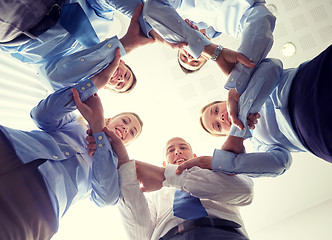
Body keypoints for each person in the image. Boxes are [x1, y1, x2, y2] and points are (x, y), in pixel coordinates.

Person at [0, 50, 143, 240]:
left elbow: (106, 197)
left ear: (128, 144)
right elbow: (40, 116)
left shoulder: (114, 170)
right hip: (11, 147)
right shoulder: (77, 120)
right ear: (109, 118)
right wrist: (87, 90)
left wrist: (99, 132)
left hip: (39, 207)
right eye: (125, 121)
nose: (126, 129)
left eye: (131, 132)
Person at [177, 45, 332, 178]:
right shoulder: (258, 144)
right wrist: (226, 162)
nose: (221, 117)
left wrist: (242, 113)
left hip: (311, 79)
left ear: (225, 101)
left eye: (216, 110)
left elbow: (273, 66)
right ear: (225, 135)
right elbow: (281, 163)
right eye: (217, 126)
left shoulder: (244, 82)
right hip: (316, 134)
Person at [105, 135, 253, 240]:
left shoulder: (217, 173)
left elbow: (245, 191)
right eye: (170, 150)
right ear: (164, 163)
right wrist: (125, 169)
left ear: (194, 155)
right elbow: (139, 234)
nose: (177, 151)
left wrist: (166, 176)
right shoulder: (154, 195)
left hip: (224, 234)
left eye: (183, 147)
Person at [0, 1, 154, 93]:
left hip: (14, 28)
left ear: (106, 87)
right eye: (126, 76)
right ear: (123, 62)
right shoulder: (105, 25)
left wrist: (127, 43)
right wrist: (147, 22)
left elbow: (52, 78)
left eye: (120, 84)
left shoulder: (69, 82)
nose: (120, 78)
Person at [143, 0, 275, 93]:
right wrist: (236, 81)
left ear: (177, 44)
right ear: (206, 58)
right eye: (195, 61)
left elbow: (153, 7)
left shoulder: (179, 6)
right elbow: (261, 19)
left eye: (184, 56)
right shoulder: (236, 28)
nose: (190, 56)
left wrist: (191, 36)